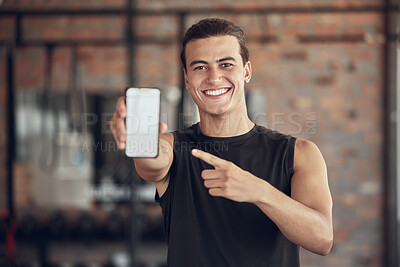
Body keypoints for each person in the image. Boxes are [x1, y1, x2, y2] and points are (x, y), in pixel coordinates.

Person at [111, 18, 333, 267]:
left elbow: (322, 240)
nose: (214, 78)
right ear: (187, 79)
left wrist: (258, 191)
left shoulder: (298, 154)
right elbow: (151, 158)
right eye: (200, 67)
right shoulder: (174, 148)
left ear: (246, 71)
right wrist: (139, 133)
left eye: (225, 64)